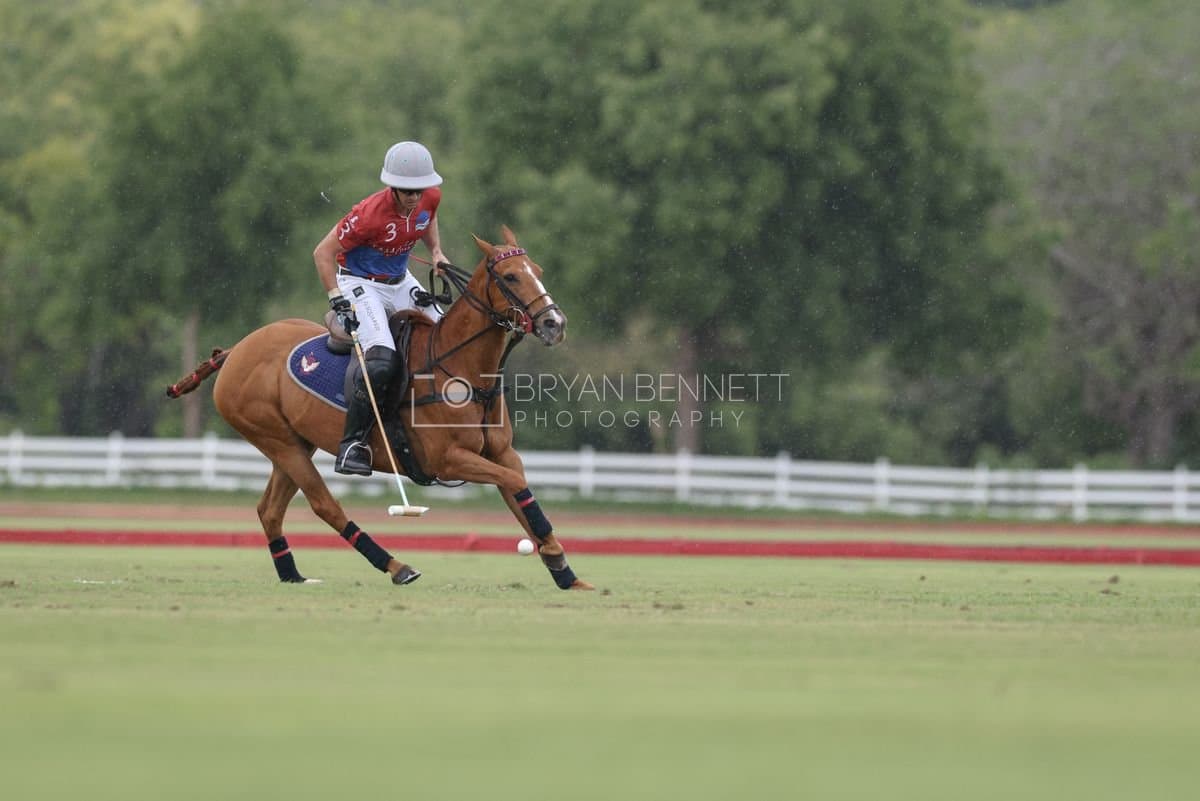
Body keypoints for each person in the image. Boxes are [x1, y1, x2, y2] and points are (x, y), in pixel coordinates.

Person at [314, 141, 450, 476]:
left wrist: (436, 253)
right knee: (381, 360)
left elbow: (427, 219)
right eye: (407, 191)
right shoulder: (367, 214)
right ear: (392, 186)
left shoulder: (430, 198)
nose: (414, 197)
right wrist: (335, 296)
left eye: (419, 190)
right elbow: (322, 253)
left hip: (400, 280)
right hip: (361, 283)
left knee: (447, 339)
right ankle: (353, 444)